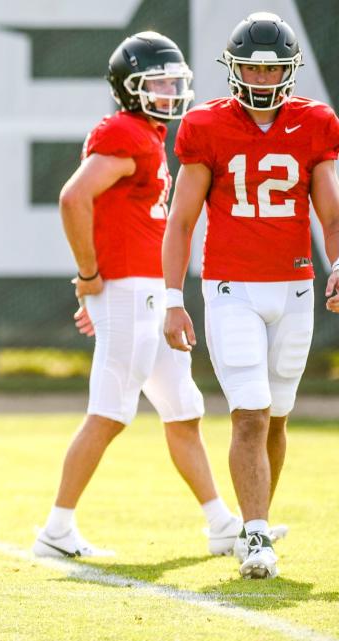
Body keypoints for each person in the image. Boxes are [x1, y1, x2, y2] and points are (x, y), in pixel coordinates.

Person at [33, 32, 244, 559]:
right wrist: (90, 277)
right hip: (128, 290)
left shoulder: (147, 135)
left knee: (182, 408)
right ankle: (56, 530)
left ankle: (220, 523)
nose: (172, 91)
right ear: (130, 88)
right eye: (160, 82)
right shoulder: (124, 133)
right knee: (109, 411)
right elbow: (73, 197)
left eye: (176, 82)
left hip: (146, 293)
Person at [163, 12, 339, 579]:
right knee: (249, 415)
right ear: (234, 69)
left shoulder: (315, 123)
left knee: (278, 417)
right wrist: (171, 297)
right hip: (231, 289)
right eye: (252, 69)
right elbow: (181, 220)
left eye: (272, 70)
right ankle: (258, 534)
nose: (262, 80)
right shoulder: (206, 125)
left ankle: (253, 519)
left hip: (294, 290)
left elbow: (330, 213)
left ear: (289, 71)